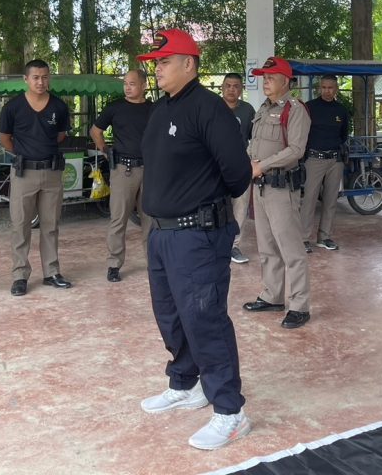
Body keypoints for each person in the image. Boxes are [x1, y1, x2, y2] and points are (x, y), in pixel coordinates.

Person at [137, 29, 253, 451]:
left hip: (198, 235)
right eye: (155, 63)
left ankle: (230, 412)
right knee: (170, 315)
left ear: (189, 63)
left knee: (205, 319)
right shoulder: (162, 109)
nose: (157, 69)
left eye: (164, 61)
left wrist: (202, 198)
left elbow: (238, 174)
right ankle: (186, 383)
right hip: (162, 233)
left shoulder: (209, 109)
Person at [242, 57, 312, 329]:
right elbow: (255, 144)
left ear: (285, 80)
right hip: (261, 186)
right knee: (267, 246)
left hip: (282, 188)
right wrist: (249, 162)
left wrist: (263, 165)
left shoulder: (295, 110)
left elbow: (296, 150)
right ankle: (272, 296)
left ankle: (299, 306)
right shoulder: (263, 108)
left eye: (271, 77)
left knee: (291, 249)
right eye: (264, 77)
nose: (266, 81)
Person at [0, 59, 73, 295]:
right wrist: (24, 153)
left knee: (50, 225)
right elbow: (4, 139)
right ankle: (20, 275)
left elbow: (61, 135)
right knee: (20, 225)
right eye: (36, 78)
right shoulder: (12, 107)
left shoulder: (59, 106)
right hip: (24, 173)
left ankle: (51, 272)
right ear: (26, 79)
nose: (41, 82)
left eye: (45, 77)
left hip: (51, 172)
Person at [89, 68, 153, 282]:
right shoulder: (115, 107)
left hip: (150, 170)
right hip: (123, 170)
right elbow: (95, 131)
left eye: (132, 83)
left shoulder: (154, 109)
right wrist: (105, 151)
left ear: (144, 85)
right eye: (125, 83)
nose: (127, 87)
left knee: (151, 218)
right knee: (119, 218)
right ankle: (114, 264)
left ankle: (154, 262)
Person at [300, 75, 349, 252]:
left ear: (336, 89)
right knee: (309, 200)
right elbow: (301, 132)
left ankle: (324, 237)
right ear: (319, 88)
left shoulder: (341, 110)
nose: (327, 91)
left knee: (331, 200)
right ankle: (303, 239)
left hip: (335, 161)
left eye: (331, 88)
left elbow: (344, 134)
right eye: (324, 87)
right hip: (314, 159)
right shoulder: (309, 108)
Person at [220, 72, 255, 264]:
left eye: (236, 86)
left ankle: (234, 245)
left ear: (241, 89)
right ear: (222, 88)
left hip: (240, 164)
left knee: (240, 205)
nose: (231, 89)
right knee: (214, 203)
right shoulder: (212, 107)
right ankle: (214, 242)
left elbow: (254, 136)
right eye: (228, 85)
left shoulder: (248, 110)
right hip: (215, 165)